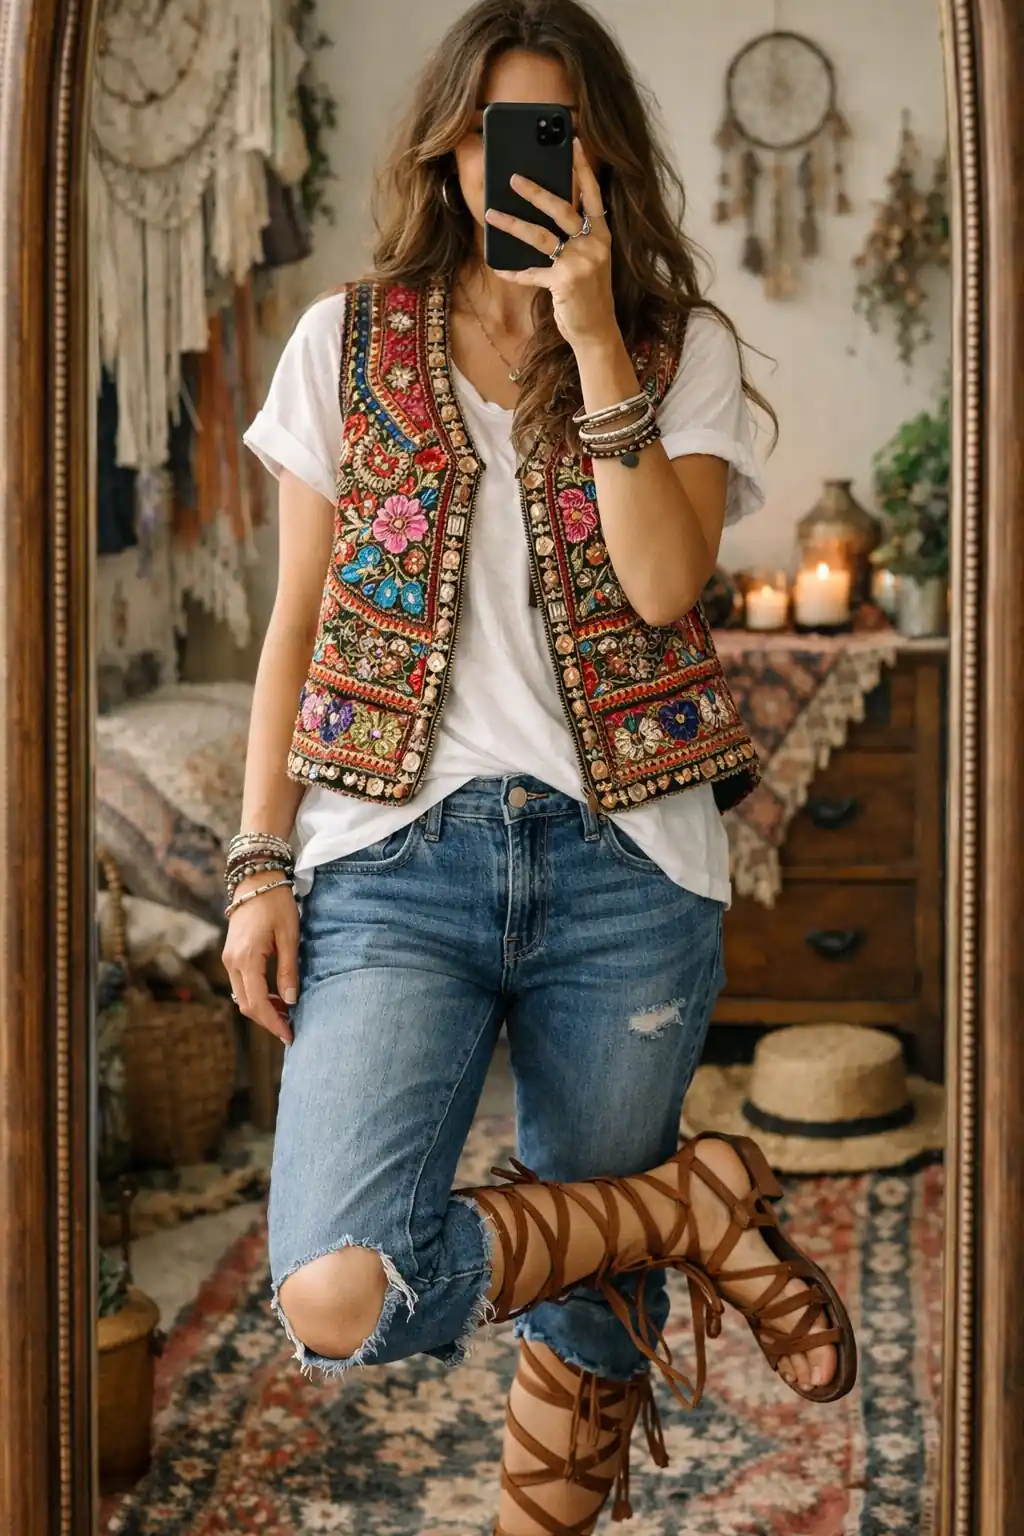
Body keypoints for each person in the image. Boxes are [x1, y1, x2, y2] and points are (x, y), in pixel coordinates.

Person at [226, 2, 856, 1531]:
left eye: (554, 133)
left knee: (591, 1319)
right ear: (448, 143)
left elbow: (662, 589)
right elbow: (295, 621)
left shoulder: (672, 343)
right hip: (392, 861)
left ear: (597, 154)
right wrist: (259, 865)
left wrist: (587, 337)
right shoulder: (342, 339)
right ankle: (689, 1206)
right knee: (331, 1287)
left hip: (626, 867)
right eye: (495, 128)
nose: (521, 162)